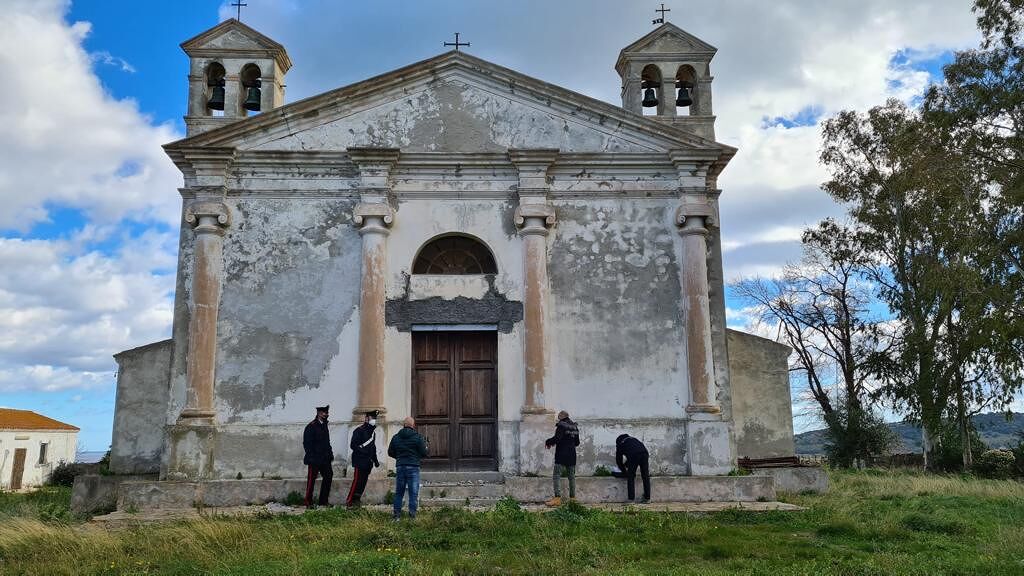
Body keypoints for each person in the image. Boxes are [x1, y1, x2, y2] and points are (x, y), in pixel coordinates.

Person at [387, 416, 428, 521]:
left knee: (399, 492)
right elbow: (424, 453)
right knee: (413, 493)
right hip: (413, 467)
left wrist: (400, 457)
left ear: (403, 425)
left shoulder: (396, 437)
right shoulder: (418, 437)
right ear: (413, 425)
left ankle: (396, 516)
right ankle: (412, 516)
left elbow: (390, 452)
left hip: (400, 466)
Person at [544, 410, 580, 506]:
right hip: (572, 455)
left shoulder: (561, 425)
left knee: (557, 475)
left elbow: (557, 438)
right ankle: (573, 499)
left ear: (560, 417)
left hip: (561, 454)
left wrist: (548, 442)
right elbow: (577, 443)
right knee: (571, 477)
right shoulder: (575, 427)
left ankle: (557, 498)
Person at [346, 409, 381, 508]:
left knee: (363, 482)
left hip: (368, 462)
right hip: (359, 460)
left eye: (375, 418)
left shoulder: (373, 433)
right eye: (371, 418)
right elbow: (353, 445)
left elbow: (373, 448)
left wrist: (375, 460)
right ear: (366, 419)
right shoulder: (359, 430)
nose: (373, 420)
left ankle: (357, 500)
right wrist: (363, 452)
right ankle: (349, 501)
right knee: (357, 481)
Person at [302, 405, 334, 508]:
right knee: (311, 480)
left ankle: (323, 501)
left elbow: (327, 442)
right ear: (319, 413)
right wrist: (311, 456)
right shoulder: (311, 426)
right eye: (324, 413)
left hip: (325, 459)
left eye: (327, 413)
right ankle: (308, 502)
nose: (326, 415)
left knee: (328, 476)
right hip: (314, 459)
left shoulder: (324, 425)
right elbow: (307, 443)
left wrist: (330, 454)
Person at [615, 433, 651, 503]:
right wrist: (626, 465)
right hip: (644, 453)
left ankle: (631, 499)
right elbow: (633, 452)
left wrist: (624, 471)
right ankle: (647, 498)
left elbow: (619, 461)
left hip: (634, 455)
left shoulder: (620, 444)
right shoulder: (633, 440)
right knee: (645, 475)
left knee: (630, 476)